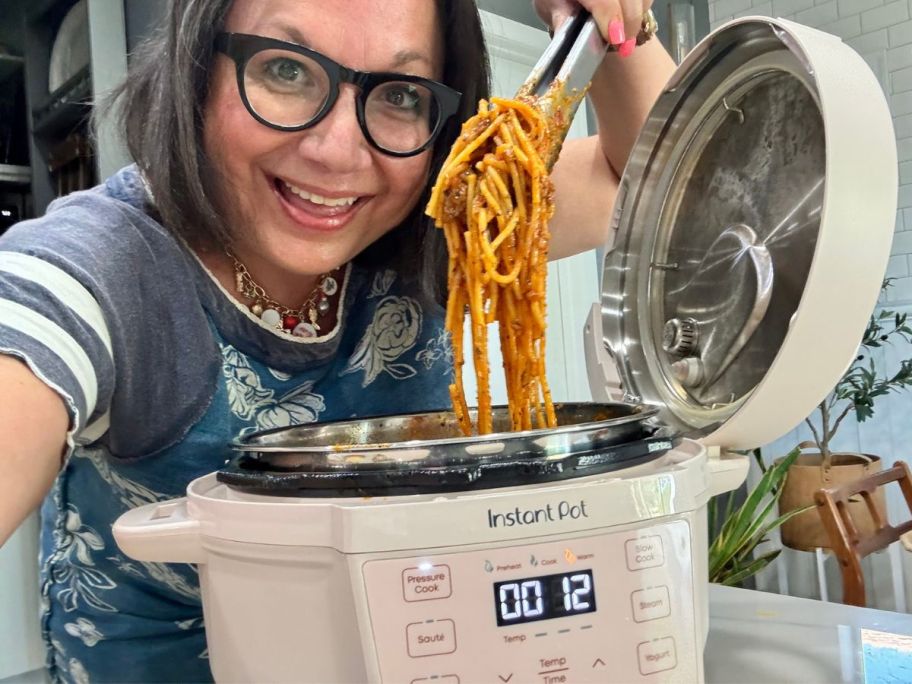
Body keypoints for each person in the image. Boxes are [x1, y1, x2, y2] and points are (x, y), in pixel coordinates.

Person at [0, 0, 675, 681]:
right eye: (286, 69)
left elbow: (647, 183)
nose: (336, 151)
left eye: (401, 94)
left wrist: (618, 26)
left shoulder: (443, 222)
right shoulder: (104, 271)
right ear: (195, 70)